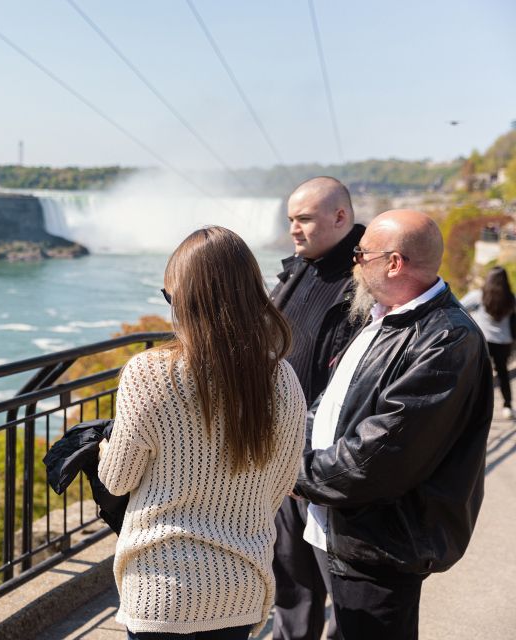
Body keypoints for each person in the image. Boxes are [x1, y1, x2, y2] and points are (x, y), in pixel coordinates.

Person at [98, 226, 307, 639]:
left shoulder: (150, 372)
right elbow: (282, 483)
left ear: (187, 301)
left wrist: (107, 448)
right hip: (240, 587)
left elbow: (116, 480)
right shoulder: (282, 379)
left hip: (160, 588)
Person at [294, 210, 494, 639]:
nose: (354, 264)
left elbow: (382, 453)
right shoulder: (386, 318)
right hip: (348, 528)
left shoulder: (445, 338)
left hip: (383, 542)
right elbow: (332, 405)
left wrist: (294, 473)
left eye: (360, 254)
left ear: (394, 262)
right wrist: (297, 448)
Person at [270, 177, 364, 640]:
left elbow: (357, 385)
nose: (294, 230)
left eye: (304, 219)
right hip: (284, 461)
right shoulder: (298, 270)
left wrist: (310, 462)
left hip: (326, 469)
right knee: (291, 588)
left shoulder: (365, 280)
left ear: (340, 218)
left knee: (344, 598)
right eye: (291, 220)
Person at [461, 266, 516, 419]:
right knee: (503, 373)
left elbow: (457, 307)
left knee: (478, 374)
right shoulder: (511, 298)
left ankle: (473, 408)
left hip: (482, 340)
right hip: (504, 342)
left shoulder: (478, 296)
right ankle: (507, 406)